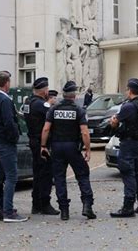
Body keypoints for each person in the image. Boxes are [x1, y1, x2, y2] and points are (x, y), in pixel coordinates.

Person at [40, 81, 96, 221]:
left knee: (59, 178)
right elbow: (84, 132)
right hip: (73, 147)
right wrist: (88, 149)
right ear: (74, 96)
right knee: (82, 175)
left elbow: (46, 129)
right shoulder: (79, 110)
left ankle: (64, 210)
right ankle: (87, 205)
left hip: (57, 147)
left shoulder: (53, 109)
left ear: (63, 95)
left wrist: (43, 146)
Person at [0, 71, 28, 223]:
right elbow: (9, 122)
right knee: (11, 177)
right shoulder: (5, 100)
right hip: (4, 143)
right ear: (6, 83)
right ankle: (8, 211)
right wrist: (14, 137)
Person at [109, 78, 138, 218]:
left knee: (128, 173)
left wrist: (113, 122)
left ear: (130, 90)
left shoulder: (128, 106)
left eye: (127, 89)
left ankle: (128, 207)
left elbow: (115, 122)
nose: (126, 92)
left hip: (128, 143)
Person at [22, 77, 59, 216]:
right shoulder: (42, 105)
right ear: (44, 91)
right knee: (45, 174)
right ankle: (45, 203)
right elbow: (52, 119)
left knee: (37, 173)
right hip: (42, 142)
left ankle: (36, 204)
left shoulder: (28, 102)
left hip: (33, 140)